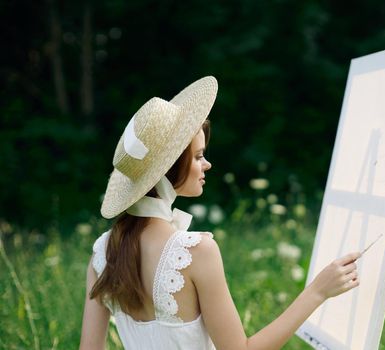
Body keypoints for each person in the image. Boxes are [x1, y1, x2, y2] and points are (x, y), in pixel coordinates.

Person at [80, 76, 361, 349]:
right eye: (199, 156)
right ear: (169, 168)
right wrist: (317, 292)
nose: (208, 164)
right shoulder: (195, 252)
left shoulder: (102, 254)